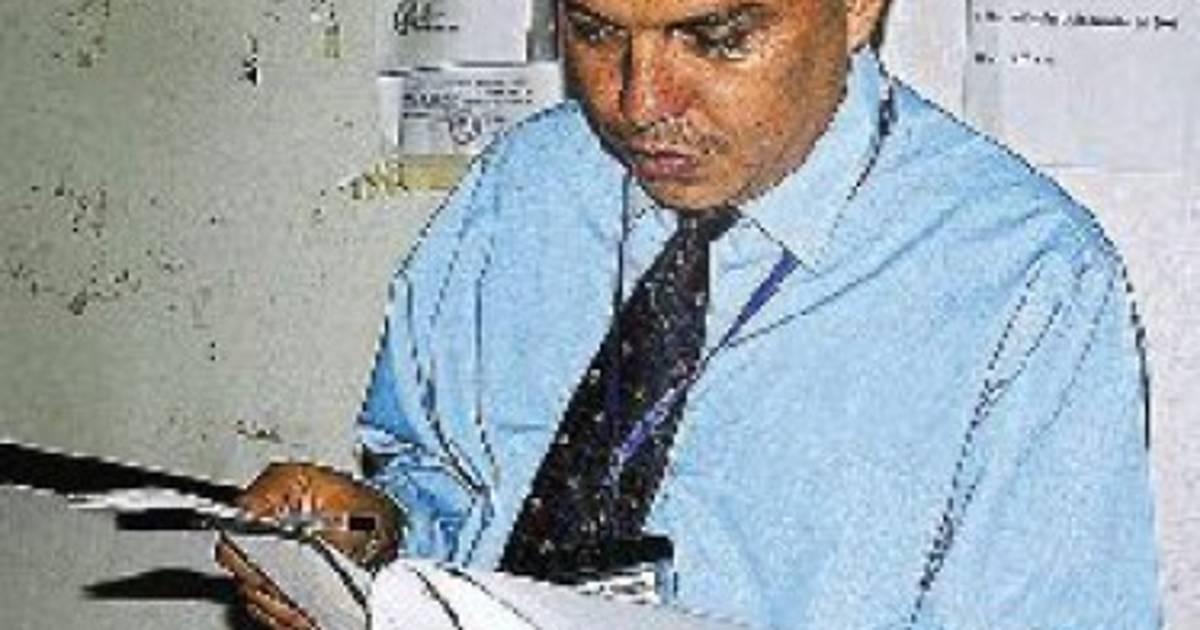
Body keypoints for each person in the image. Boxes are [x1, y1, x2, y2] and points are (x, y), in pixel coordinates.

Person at [218, 0, 1161, 627]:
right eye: (595, 31)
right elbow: (449, 494)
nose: (638, 101)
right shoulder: (522, 191)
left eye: (713, 37)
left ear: (858, 6)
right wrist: (372, 541)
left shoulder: (1025, 281)